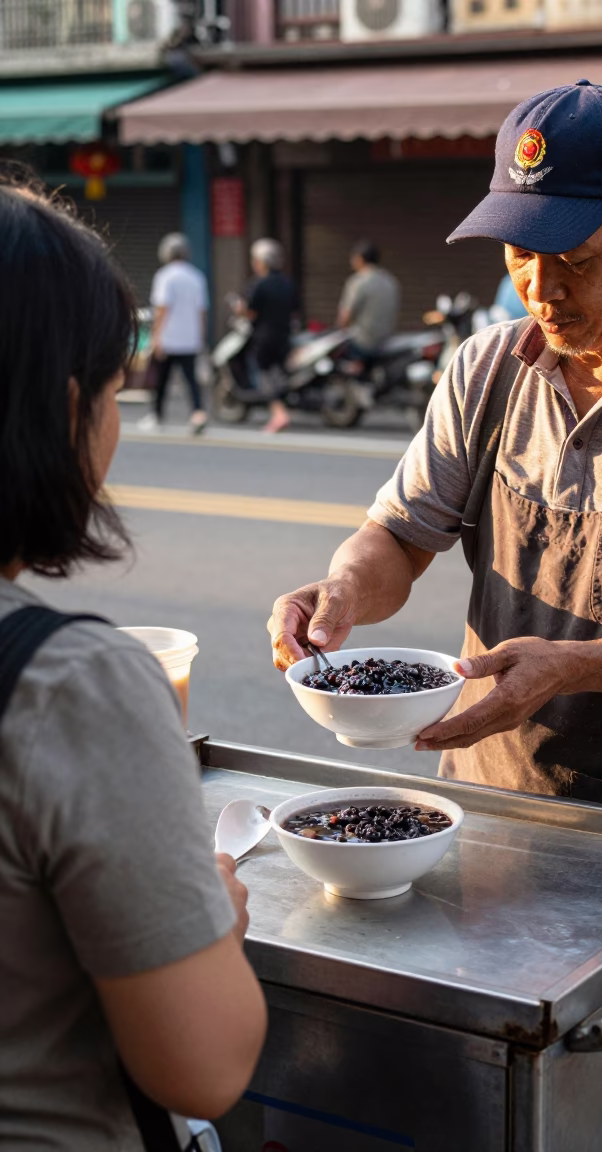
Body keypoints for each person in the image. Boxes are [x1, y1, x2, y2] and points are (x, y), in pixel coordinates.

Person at [268, 83, 602, 829]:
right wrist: (342, 594)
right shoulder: (485, 369)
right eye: (520, 256)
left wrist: (573, 666)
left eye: (576, 261)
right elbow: (400, 535)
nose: (541, 290)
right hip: (488, 793)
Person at [0, 180, 266, 1148]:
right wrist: (215, 919)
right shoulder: (67, 685)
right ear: (67, 407)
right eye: (117, 391)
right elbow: (206, 1064)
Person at [141, 232, 209, 435]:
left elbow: (162, 309)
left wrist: (155, 336)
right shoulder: (197, 276)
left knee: (161, 379)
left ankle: (157, 415)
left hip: (169, 338)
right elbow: (202, 311)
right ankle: (198, 413)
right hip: (190, 338)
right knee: (192, 380)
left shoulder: (164, 276)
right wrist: (201, 336)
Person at [239, 238, 299, 435]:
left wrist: (240, 310)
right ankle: (281, 409)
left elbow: (251, 312)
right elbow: (294, 311)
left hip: (264, 338)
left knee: (262, 375)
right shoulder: (287, 283)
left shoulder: (259, 285)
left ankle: (279, 413)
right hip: (285, 336)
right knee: (278, 375)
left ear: (261, 261)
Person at [337, 240, 401, 365]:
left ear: (360, 259)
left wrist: (339, 335)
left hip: (363, 343)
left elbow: (345, 316)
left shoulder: (358, 281)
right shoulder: (390, 280)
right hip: (386, 342)